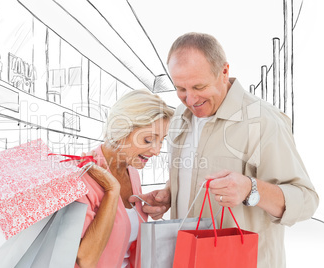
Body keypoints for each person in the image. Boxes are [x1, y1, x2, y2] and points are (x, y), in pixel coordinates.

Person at [129, 32, 319, 267]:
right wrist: (170, 194)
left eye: (199, 86)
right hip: (188, 258)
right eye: (180, 89)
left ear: (224, 72)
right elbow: (191, 173)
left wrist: (251, 189)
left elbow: (306, 200)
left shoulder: (262, 121)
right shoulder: (179, 117)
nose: (190, 99)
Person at [75, 89, 174, 268]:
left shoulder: (132, 172)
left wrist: (146, 207)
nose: (157, 151)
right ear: (121, 130)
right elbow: (84, 261)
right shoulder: (83, 177)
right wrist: (112, 192)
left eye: (161, 140)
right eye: (148, 140)